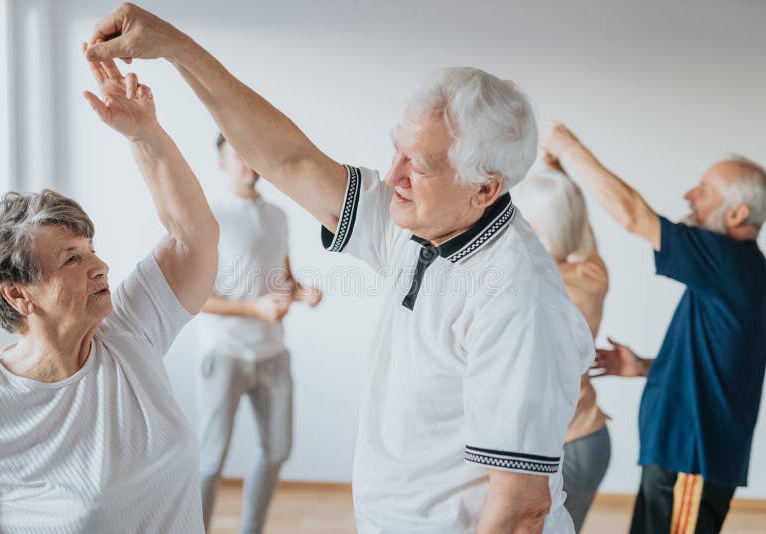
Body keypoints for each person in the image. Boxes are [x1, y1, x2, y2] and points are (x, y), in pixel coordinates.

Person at [85, 6, 595, 532]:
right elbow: (288, 160)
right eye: (395, 150)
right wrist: (175, 47)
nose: (391, 174)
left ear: (485, 187)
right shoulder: (420, 220)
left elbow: (520, 509)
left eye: (417, 165)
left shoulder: (517, 299)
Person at [0, 51, 218, 532]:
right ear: (20, 296)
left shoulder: (128, 333)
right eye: (71, 258)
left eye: (91, 248)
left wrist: (145, 135)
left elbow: (194, 238)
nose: (100, 265)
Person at [542, 122, 766, 534]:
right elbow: (721, 365)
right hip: (679, 458)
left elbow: (634, 216)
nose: (689, 195)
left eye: (705, 190)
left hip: (690, 462)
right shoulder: (736, 272)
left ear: (737, 214)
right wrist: (645, 366)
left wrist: (568, 147)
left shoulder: (729, 262)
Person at [197, 134, 322, 533]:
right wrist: (254, 308)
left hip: (272, 353)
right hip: (225, 352)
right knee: (210, 460)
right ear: (222, 163)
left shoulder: (278, 216)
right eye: (236, 154)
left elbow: (283, 279)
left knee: (277, 450)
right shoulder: (210, 217)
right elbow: (198, 297)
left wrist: (304, 293)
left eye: (250, 151)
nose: (246, 160)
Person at [513, 169, 612, 532]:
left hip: (565, 447)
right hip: (591, 439)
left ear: (536, 228)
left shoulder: (533, 284)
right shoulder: (592, 272)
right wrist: (558, 175)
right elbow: (579, 228)